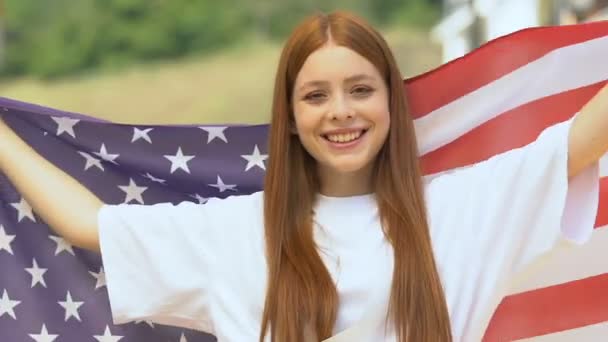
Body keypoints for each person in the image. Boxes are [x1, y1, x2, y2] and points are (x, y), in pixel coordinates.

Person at [0, 11, 607, 342]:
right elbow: (87, 225)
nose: (340, 110)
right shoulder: (237, 231)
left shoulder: (461, 209)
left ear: (391, 106)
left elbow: (582, 138)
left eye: (361, 90)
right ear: (289, 120)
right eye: (316, 95)